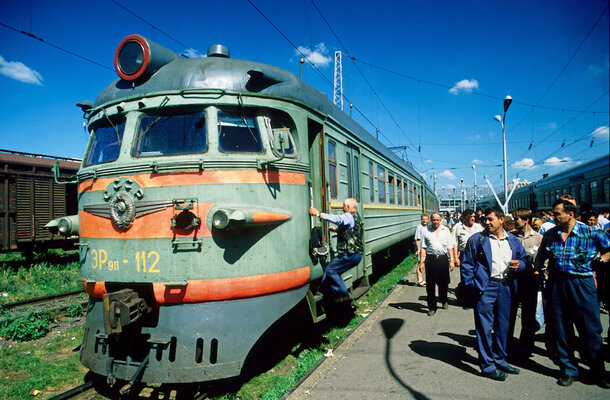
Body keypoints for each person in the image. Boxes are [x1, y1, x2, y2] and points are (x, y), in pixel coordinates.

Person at [535, 199, 610, 388]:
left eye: (557, 213)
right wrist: (539, 272)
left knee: (591, 329)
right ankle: (569, 370)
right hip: (557, 284)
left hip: (582, 284)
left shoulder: (590, 232)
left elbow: (609, 249)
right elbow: (541, 257)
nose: (553, 217)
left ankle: (597, 372)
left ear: (570, 214)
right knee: (562, 328)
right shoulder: (551, 234)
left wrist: (600, 261)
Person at [461, 206, 527, 381]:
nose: (487, 223)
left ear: (501, 220)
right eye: (486, 220)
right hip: (485, 287)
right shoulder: (478, 239)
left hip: (506, 287)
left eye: (490, 219)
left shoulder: (513, 240)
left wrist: (520, 265)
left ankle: (501, 359)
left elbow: (524, 259)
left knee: (503, 326)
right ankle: (488, 365)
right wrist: (472, 285)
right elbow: (466, 264)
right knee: (484, 327)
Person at [309, 198, 363, 311]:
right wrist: (337, 230)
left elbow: (338, 219)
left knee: (330, 271)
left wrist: (319, 214)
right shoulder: (356, 216)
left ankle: (344, 295)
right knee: (330, 268)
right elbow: (351, 230)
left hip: (349, 254)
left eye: (343, 206)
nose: (342, 208)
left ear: (348, 208)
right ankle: (323, 291)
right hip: (356, 254)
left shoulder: (348, 216)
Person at [508, 207, 543, 359]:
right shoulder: (512, 237)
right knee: (510, 313)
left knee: (528, 315)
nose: (514, 221)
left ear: (526, 220)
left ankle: (526, 347)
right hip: (513, 279)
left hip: (530, 280)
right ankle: (507, 344)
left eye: (517, 219)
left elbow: (543, 260)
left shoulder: (539, 239)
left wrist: (540, 272)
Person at [419, 212, 457, 316]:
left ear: (440, 220)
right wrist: (421, 262)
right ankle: (432, 307)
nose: (436, 222)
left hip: (443, 259)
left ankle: (443, 300)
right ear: (431, 220)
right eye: (434, 220)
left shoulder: (446, 231)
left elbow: (450, 246)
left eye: (437, 220)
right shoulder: (426, 230)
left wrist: (452, 260)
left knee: (444, 283)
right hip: (431, 259)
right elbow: (423, 248)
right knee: (430, 285)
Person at [415, 213, 429, 286]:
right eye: (423, 219)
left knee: (426, 264)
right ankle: (420, 280)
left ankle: (427, 280)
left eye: (426, 219)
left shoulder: (428, 227)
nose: (424, 221)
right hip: (421, 248)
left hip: (427, 248)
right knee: (420, 264)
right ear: (421, 219)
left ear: (428, 220)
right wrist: (418, 249)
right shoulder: (419, 227)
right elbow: (417, 239)